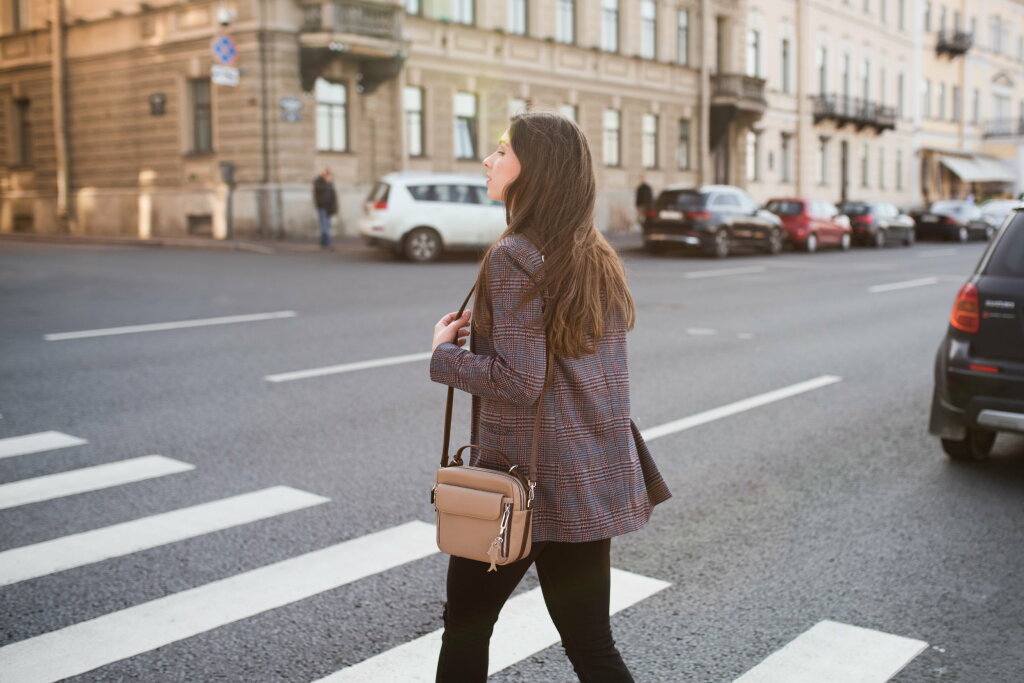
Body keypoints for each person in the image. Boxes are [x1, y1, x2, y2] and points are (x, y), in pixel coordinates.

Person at [429, 112, 671, 682]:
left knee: (467, 626)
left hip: (521, 481)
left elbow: (519, 381)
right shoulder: (594, 255)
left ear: (534, 172)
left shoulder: (514, 256)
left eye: (502, 152)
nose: (488, 161)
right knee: (591, 645)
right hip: (584, 478)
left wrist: (445, 355)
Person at [313, 168, 338, 250]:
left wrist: (334, 207)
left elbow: (333, 195)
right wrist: (325, 182)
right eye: (327, 174)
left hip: (329, 208)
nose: (328, 176)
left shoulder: (329, 183)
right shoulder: (319, 182)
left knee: (326, 225)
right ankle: (327, 244)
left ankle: (323, 243)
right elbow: (318, 191)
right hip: (322, 207)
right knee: (325, 226)